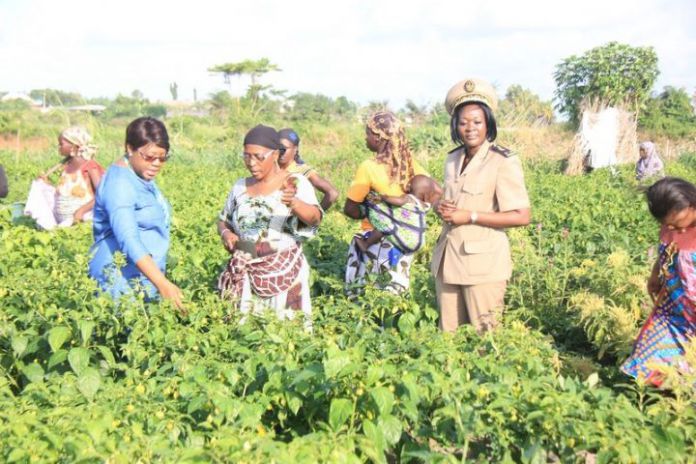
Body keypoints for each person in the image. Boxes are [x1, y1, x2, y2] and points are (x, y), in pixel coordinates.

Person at [432, 78, 531, 333]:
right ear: (455, 125)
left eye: (477, 122)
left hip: (483, 267)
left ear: (488, 123)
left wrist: (471, 215)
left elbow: (521, 215)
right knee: (449, 339)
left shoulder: (502, 161)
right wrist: (441, 207)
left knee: (485, 340)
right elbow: (455, 202)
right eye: (463, 122)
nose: (470, 128)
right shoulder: (453, 159)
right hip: (449, 260)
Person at [217, 125, 322, 326]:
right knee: (246, 336)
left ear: (275, 154)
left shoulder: (295, 183)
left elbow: (315, 218)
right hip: (246, 272)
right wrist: (225, 233)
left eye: (258, 156)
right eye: (246, 156)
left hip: (284, 273)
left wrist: (295, 203)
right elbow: (223, 220)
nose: (251, 163)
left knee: (286, 335)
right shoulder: (240, 187)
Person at [88, 117, 183, 309]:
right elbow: (128, 239)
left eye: (162, 157)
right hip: (119, 278)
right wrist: (163, 283)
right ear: (129, 148)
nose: (156, 163)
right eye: (149, 157)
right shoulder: (120, 185)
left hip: (143, 275)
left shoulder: (139, 174)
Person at [344, 111, 430, 295]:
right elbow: (427, 191)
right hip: (404, 238)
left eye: (368, 133)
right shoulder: (410, 162)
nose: (365, 137)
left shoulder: (369, 167)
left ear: (378, 137)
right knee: (394, 296)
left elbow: (350, 209)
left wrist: (371, 210)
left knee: (368, 296)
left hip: (377, 242)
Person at [621, 177, 696, 386]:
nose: (676, 231)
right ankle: (664, 402)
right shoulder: (669, 226)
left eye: (678, 223)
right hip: (673, 307)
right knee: (651, 354)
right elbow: (666, 251)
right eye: (668, 225)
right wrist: (656, 274)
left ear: (691, 204)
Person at [24, 127, 104, 229]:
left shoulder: (90, 166)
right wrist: (45, 184)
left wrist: (81, 211)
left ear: (74, 146)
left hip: (82, 222)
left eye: (61, 144)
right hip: (63, 223)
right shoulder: (66, 165)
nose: (59, 147)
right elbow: (65, 191)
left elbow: (103, 195)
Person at [355, 174, 442, 254]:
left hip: (406, 239)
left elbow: (399, 202)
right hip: (418, 240)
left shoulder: (409, 198)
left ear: (409, 186)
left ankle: (365, 244)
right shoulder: (424, 206)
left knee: (384, 225)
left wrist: (384, 197)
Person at [277, 128, 339, 211]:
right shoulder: (270, 169)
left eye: (284, 149)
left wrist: (315, 216)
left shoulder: (302, 171)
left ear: (295, 149)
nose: (281, 152)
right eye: (278, 148)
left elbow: (332, 193)